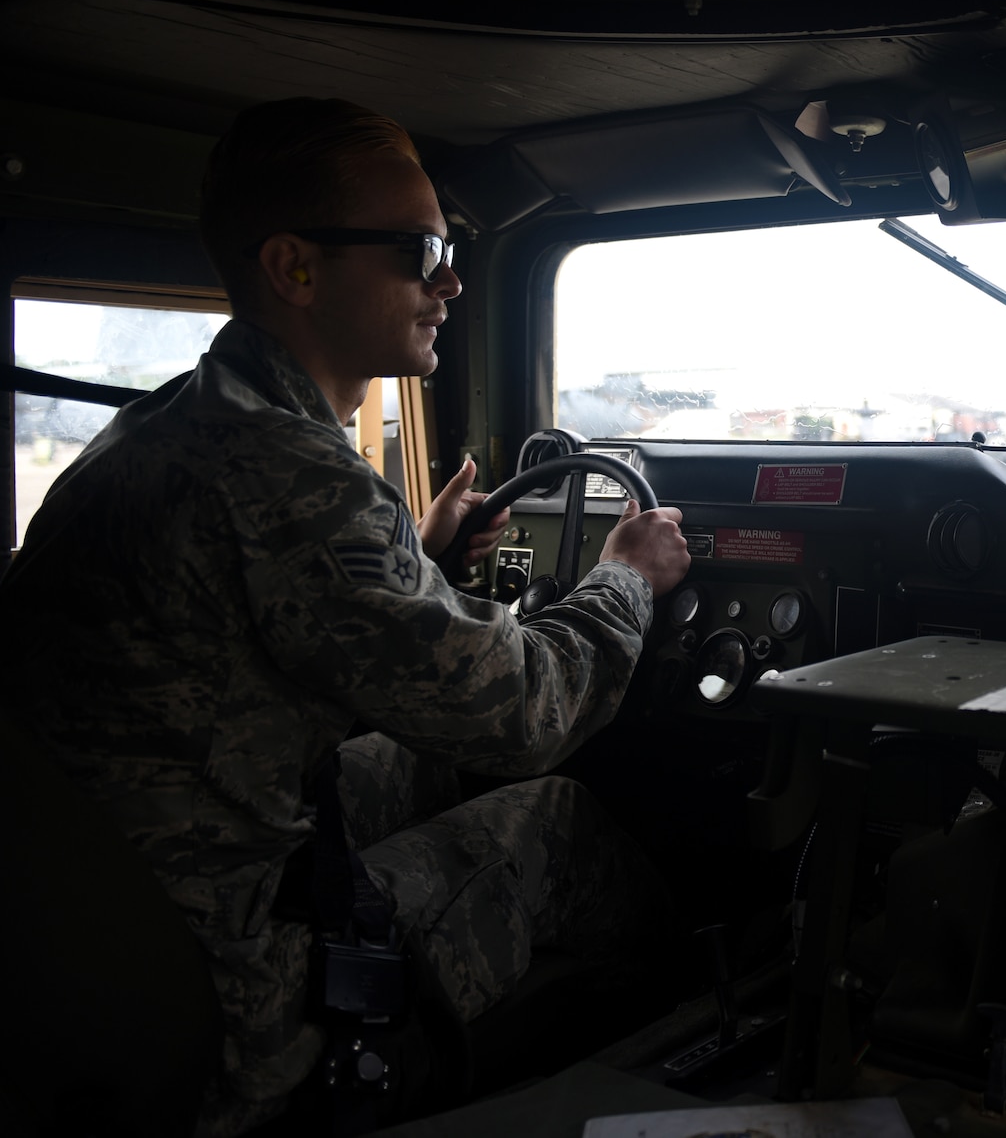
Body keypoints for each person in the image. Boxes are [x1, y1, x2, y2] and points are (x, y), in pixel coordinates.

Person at [0, 98, 690, 1135]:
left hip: (89, 921)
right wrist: (627, 580)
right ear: (295, 267)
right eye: (420, 250)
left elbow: (264, 611)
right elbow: (525, 713)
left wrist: (409, 546)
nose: (450, 279)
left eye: (451, 249)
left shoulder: (176, 424)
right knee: (555, 817)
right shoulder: (293, 478)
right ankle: (678, 1063)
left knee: (418, 763)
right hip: (221, 988)